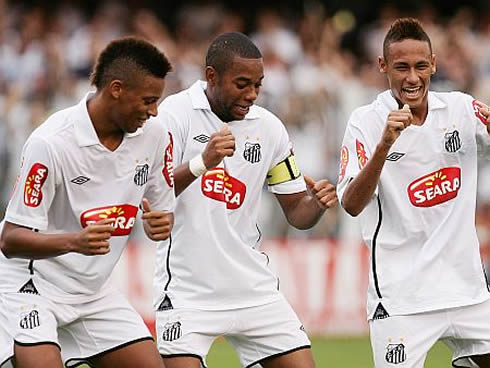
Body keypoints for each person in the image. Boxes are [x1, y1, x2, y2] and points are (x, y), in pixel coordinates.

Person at [153, 32, 337, 368]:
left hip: (254, 290)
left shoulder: (269, 128)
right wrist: (201, 163)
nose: (252, 94)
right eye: (242, 84)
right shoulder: (174, 114)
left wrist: (317, 204)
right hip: (187, 292)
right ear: (212, 76)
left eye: (258, 84)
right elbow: (152, 192)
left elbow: (296, 211)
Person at [0, 37, 175, 368]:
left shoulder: (155, 136)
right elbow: (9, 240)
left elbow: (161, 209)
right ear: (116, 89)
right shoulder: (50, 143)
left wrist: (161, 223)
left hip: (93, 291)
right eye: (149, 100)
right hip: (31, 284)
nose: (153, 111)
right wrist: (74, 242)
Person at [337, 18, 490, 368]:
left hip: (466, 290)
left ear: (434, 64)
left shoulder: (461, 110)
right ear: (383, 67)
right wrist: (384, 146)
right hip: (401, 296)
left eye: (421, 66)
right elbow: (351, 204)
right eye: (401, 67)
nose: (412, 77)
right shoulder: (365, 122)